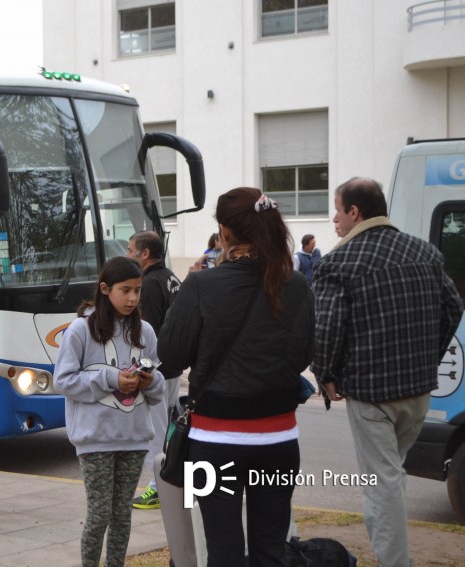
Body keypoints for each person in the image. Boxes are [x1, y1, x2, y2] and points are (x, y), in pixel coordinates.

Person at [311, 177, 463, 567]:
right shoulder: (424, 252)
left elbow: (326, 329)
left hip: (371, 394)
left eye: (337, 210)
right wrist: (429, 358)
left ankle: (395, 562)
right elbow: (453, 308)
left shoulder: (339, 262)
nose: (334, 219)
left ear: (355, 212)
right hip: (418, 391)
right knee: (388, 478)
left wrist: (325, 374)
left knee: (382, 484)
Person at [159, 188, 315, 566]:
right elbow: (302, 356)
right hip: (278, 439)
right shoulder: (295, 285)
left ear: (224, 232)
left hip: (214, 441)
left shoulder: (201, 284)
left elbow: (171, 354)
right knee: (271, 548)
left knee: (223, 550)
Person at [54, 256, 166, 567]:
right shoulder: (80, 330)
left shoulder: (145, 332)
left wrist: (149, 381)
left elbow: (159, 389)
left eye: (138, 291)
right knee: (100, 513)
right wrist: (110, 378)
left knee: (122, 514)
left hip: (134, 438)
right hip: (94, 439)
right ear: (105, 289)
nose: (133, 298)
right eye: (125, 290)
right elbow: (63, 381)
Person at [126, 230, 181, 510]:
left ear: (144, 253)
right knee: (168, 428)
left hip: (158, 369)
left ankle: (156, 487)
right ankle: (167, 482)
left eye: (130, 249)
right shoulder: (171, 278)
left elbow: (145, 331)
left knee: (157, 431)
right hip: (174, 366)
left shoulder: (147, 284)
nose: (127, 254)